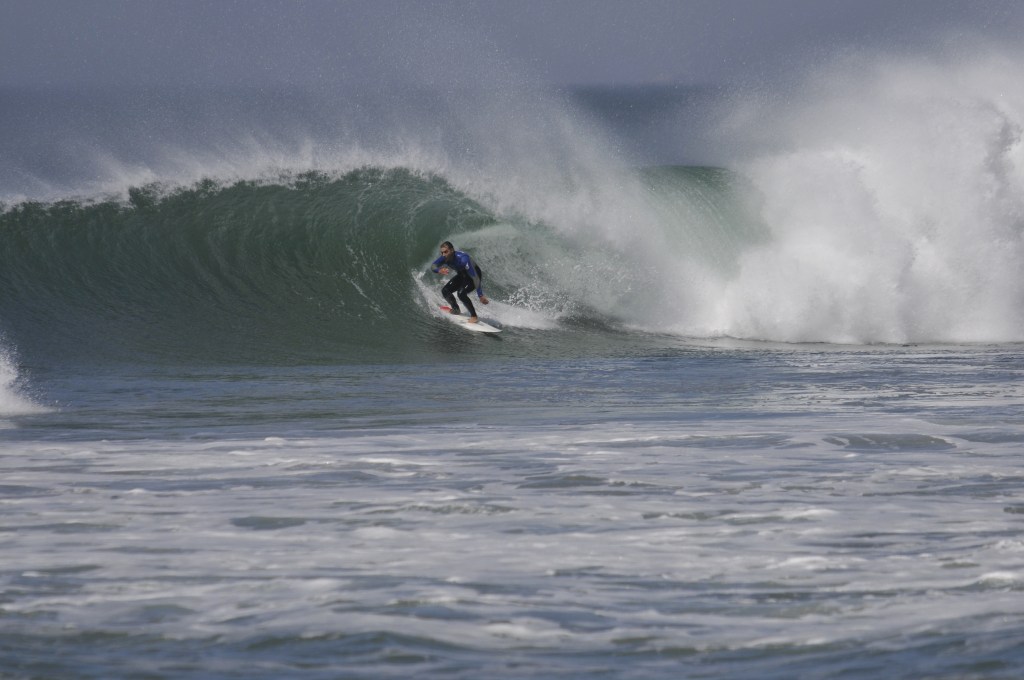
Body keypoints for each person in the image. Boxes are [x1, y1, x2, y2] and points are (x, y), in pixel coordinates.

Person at [430, 241, 490, 323]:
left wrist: (480, 295)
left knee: (461, 293)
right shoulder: (444, 258)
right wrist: (439, 270)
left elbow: (475, 277)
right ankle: (456, 309)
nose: (443, 254)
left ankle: (474, 316)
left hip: (474, 276)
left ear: (452, 250)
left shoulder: (463, 259)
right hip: (462, 275)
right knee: (445, 291)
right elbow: (433, 266)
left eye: (445, 252)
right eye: (442, 252)